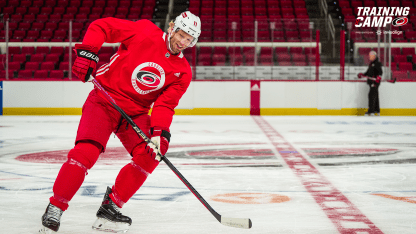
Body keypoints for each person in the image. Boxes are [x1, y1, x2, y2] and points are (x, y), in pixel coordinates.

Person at [39, 11, 201, 233]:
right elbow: (101, 27)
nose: (183, 42)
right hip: (104, 101)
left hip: (135, 113)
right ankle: (56, 206)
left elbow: (164, 105)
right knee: (86, 152)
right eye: (182, 35)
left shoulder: (182, 72)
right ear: (172, 27)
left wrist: (158, 132)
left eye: (189, 39)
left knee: (155, 150)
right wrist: (88, 55)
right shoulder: (145, 32)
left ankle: (110, 207)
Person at [358, 51, 383, 116]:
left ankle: (371, 111)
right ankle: (377, 110)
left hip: (375, 82)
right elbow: (368, 73)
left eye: (370, 56)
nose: (369, 57)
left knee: (371, 95)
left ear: (374, 56)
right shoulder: (371, 63)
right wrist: (363, 74)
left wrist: (378, 78)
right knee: (375, 96)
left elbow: (380, 72)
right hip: (372, 82)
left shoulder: (377, 63)